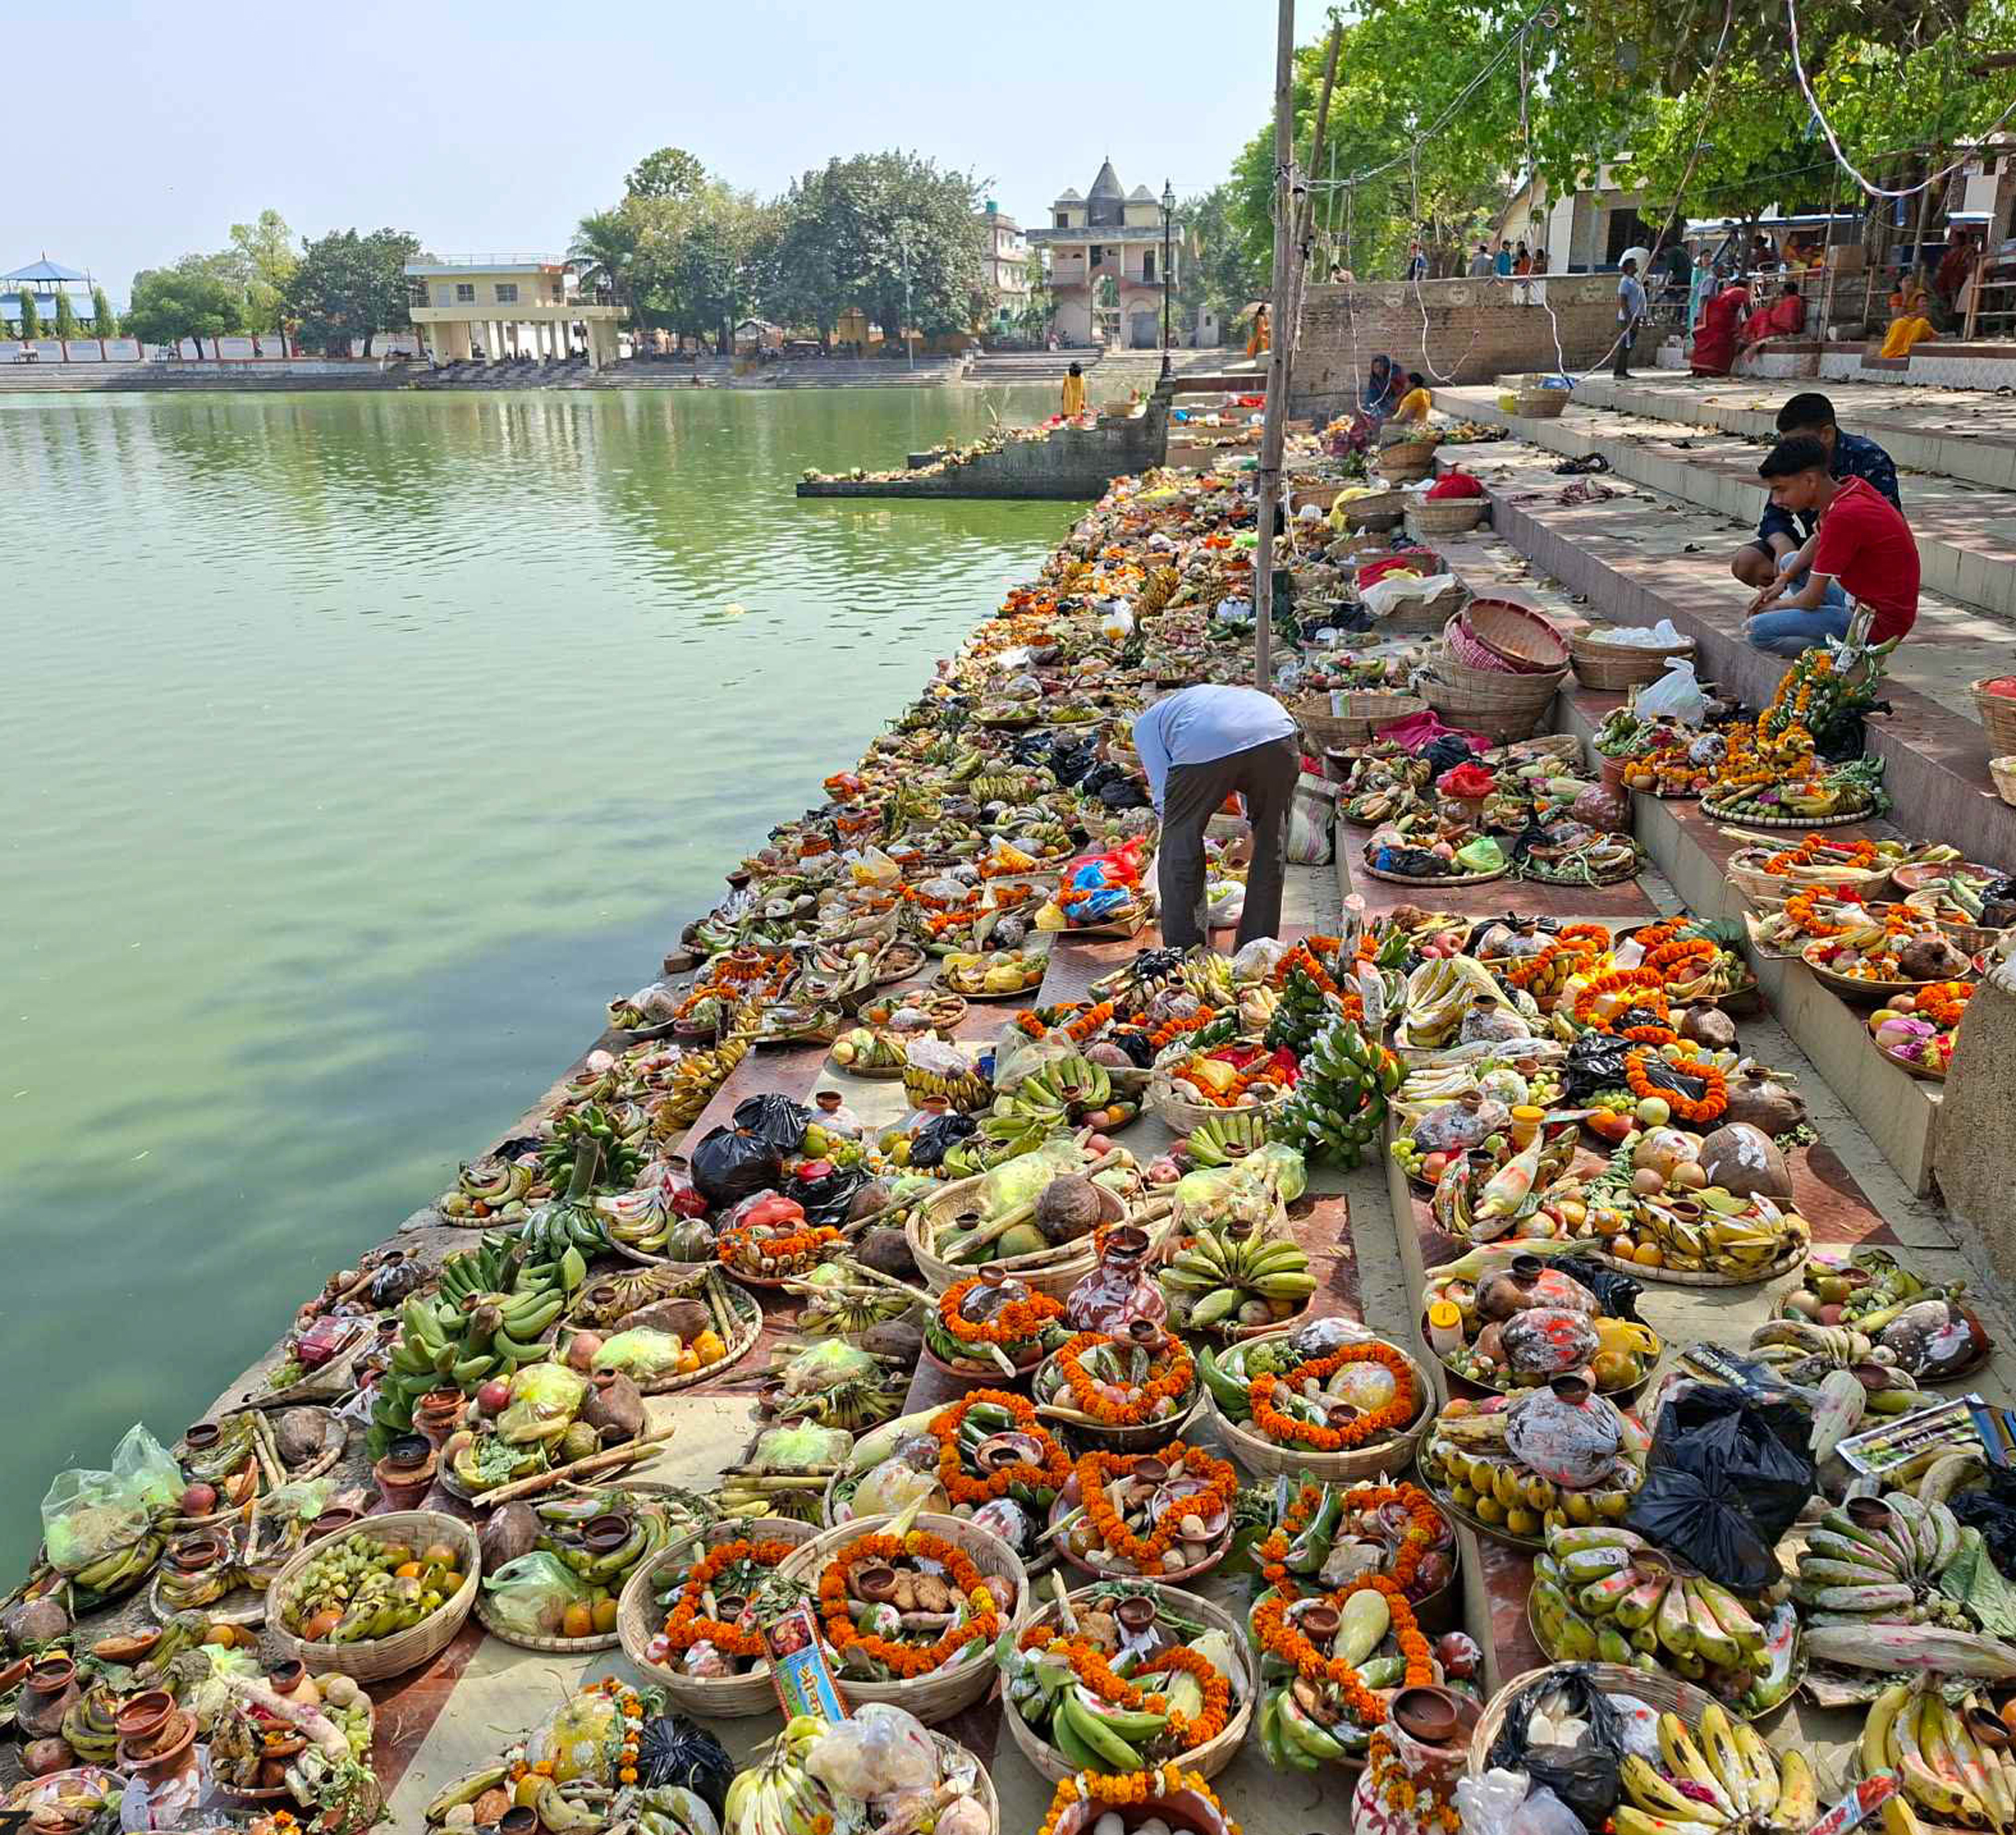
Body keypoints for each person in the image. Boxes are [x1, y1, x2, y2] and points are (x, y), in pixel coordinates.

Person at [1131, 685, 1300, 949]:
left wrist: (1166, 848)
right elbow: (1247, 761)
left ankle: (1185, 951)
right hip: (1279, 733)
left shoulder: (1144, 727)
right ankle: (1256, 949)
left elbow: (1167, 804)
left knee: (1180, 845)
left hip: (1208, 741)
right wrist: (1249, 834)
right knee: (1270, 841)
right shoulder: (1203, 701)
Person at [1745, 436, 1919, 656]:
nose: (1776, 501)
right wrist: (1783, 580)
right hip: (1858, 602)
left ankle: (1851, 652)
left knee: (1756, 630)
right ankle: (1833, 633)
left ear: (1810, 480)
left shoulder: (1843, 516)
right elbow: (1817, 538)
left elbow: (1811, 599)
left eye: (1781, 490)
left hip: (1876, 624)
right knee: (1790, 562)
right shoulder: (1849, 488)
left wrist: (1773, 607)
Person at [1729, 392, 1901, 591]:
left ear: (1826, 434)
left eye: (1798, 442)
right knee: (1748, 561)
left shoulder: (1868, 458)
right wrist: (1784, 547)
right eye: (1786, 443)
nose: (1792, 449)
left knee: (1771, 619)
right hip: (1818, 545)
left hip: (1856, 554)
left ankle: (1822, 608)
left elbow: (1885, 524)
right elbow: (1774, 516)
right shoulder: (1793, 458)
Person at [1688, 275, 1753, 375]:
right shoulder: (1743, 292)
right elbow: (1748, 312)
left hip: (1711, 312)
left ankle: (1698, 368)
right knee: (1723, 340)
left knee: (1707, 339)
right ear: (1748, 286)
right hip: (1721, 315)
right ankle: (1714, 369)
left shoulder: (1727, 290)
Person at [1736, 279, 1807, 368]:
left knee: (1761, 314)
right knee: (1761, 314)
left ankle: (1752, 337)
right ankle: (1749, 336)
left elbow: (1779, 318)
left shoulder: (1791, 300)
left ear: (1785, 291)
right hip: (1784, 326)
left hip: (1782, 328)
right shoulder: (1795, 300)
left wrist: (1771, 306)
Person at [1881, 270, 1939, 358]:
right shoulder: (1896, 297)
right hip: (1905, 324)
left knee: (1921, 323)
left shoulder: (1919, 293)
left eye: (1911, 280)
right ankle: (1891, 352)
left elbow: (1924, 312)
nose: (1909, 283)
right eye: (1906, 280)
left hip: (1917, 324)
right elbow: (1896, 317)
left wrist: (1913, 315)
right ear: (1900, 284)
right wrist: (1905, 298)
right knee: (1899, 323)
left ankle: (1905, 350)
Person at [1614, 257, 1647, 379]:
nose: (1636, 267)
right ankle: (1618, 372)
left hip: (1636, 317)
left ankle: (1623, 370)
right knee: (1624, 345)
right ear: (1628, 268)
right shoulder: (1625, 282)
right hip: (1627, 319)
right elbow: (1623, 301)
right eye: (1634, 265)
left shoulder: (1635, 281)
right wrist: (1629, 319)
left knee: (1629, 345)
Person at [1687, 249, 1719, 331]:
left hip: (1709, 299)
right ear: (1701, 257)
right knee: (1695, 319)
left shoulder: (1712, 271)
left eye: (1709, 256)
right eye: (1705, 256)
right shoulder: (1696, 271)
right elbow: (1694, 286)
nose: (1707, 258)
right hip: (1697, 298)